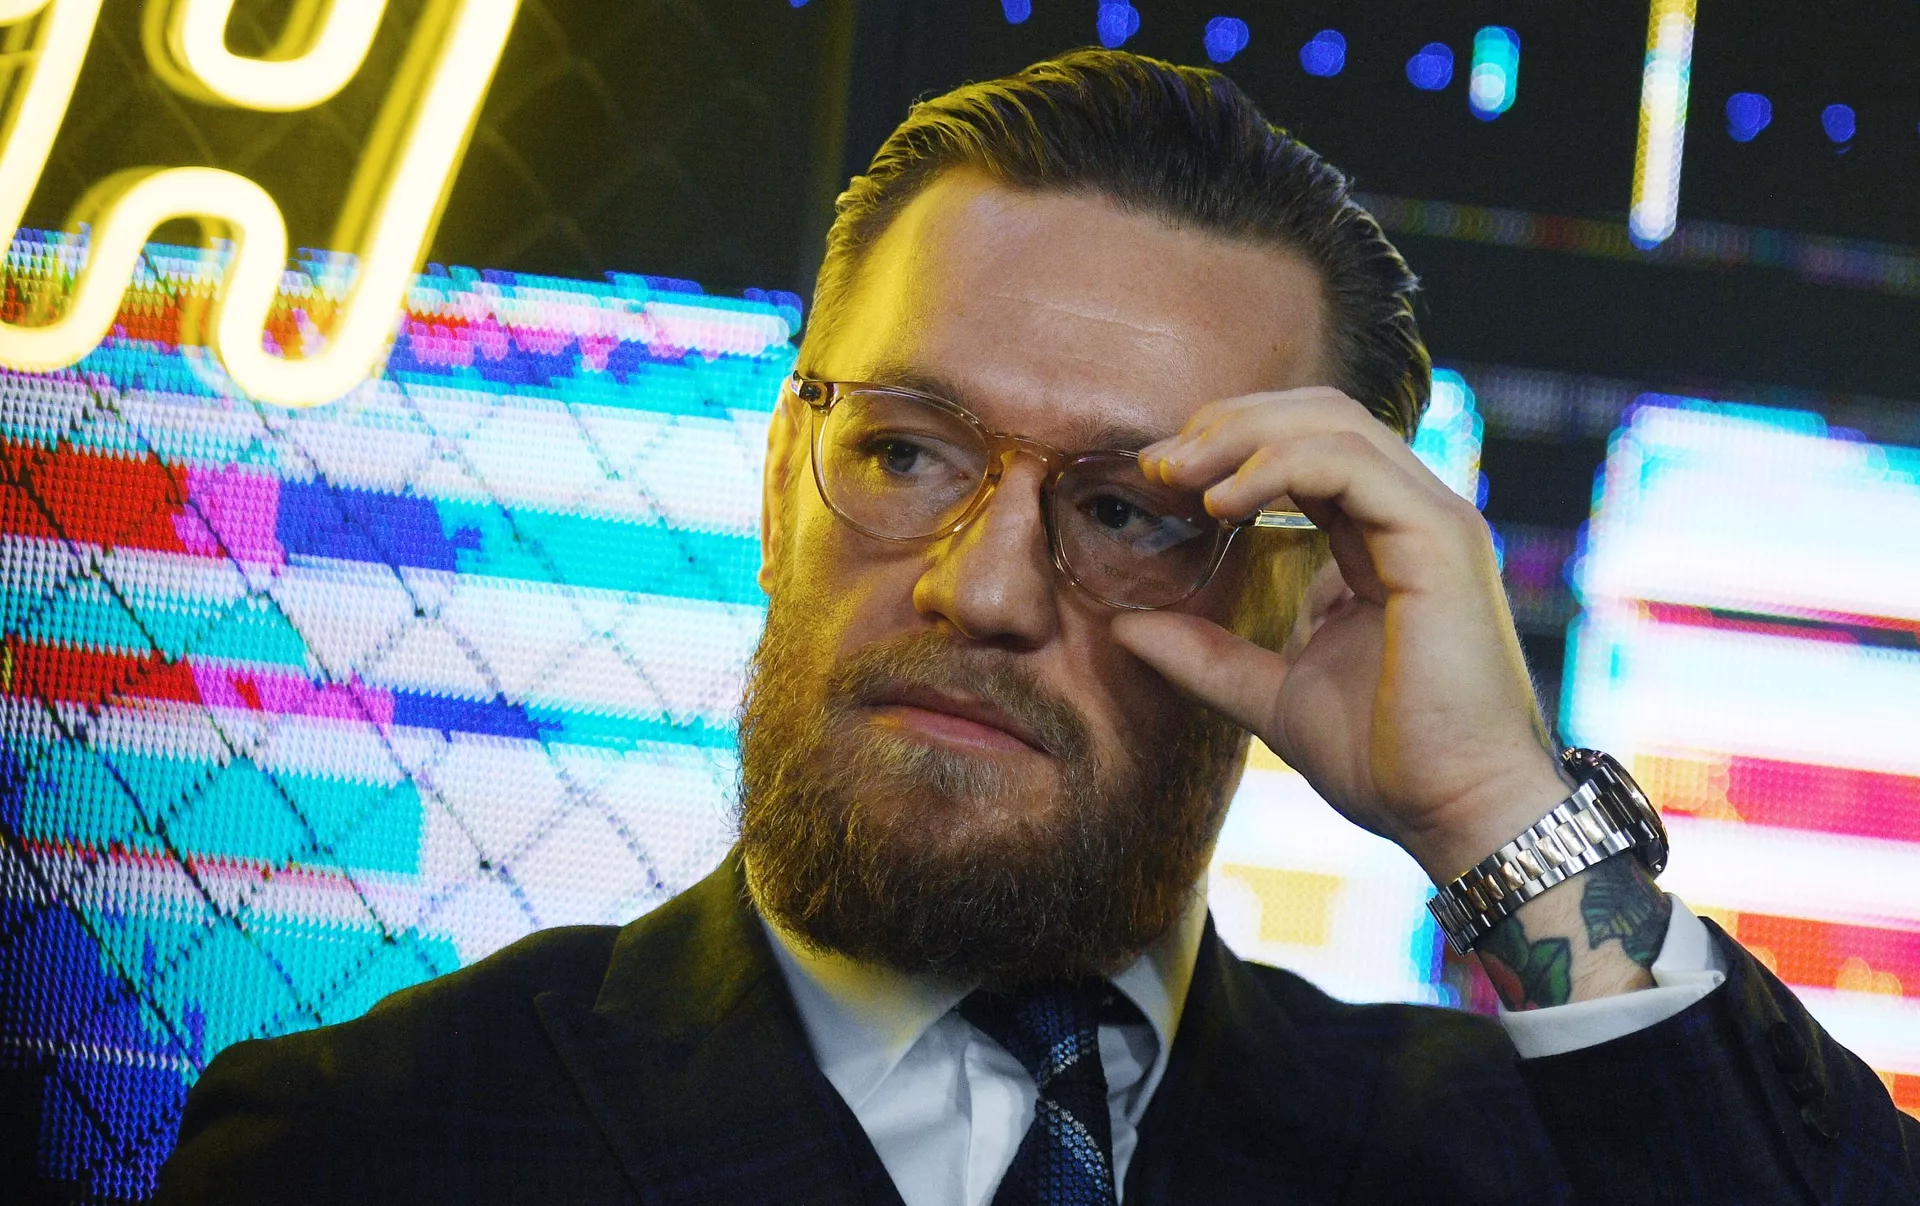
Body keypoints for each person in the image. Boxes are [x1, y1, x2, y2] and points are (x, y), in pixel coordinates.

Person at [156, 49, 1919, 1205]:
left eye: (1130, 509)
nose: (982, 589)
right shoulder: (371, 1143)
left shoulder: (1510, 1157)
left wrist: (1497, 813)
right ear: (781, 484)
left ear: (1293, 583)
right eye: (905, 452)